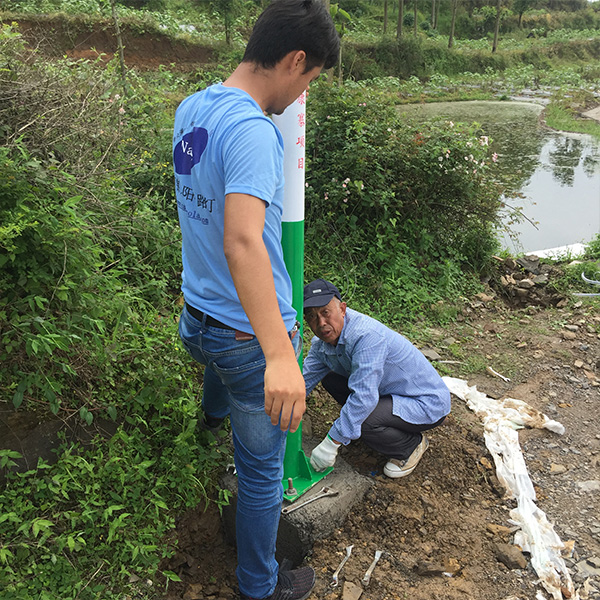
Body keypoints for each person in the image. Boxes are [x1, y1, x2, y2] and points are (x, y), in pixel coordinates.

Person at [172, 3, 339, 600]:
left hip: (198, 313)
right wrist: (278, 355)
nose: (300, 96)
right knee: (263, 474)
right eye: (309, 81)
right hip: (247, 334)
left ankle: (209, 423)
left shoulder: (194, 107)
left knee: (216, 371)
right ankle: (259, 588)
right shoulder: (252, 131)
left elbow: (202, 211)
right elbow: (242, 241)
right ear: (295, 60)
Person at [302, 279, 451, 479]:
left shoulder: (366, 337)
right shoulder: (322, 344)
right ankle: (369, 428)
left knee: (364, 420)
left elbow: (363, 398)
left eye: (326, 312)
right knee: (330, 378)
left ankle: (410, 446)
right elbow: (302, 380)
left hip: (425, 401)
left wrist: (331, 442)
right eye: (312, 317)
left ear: (343, 309)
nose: (321, 323)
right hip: (388, 393)